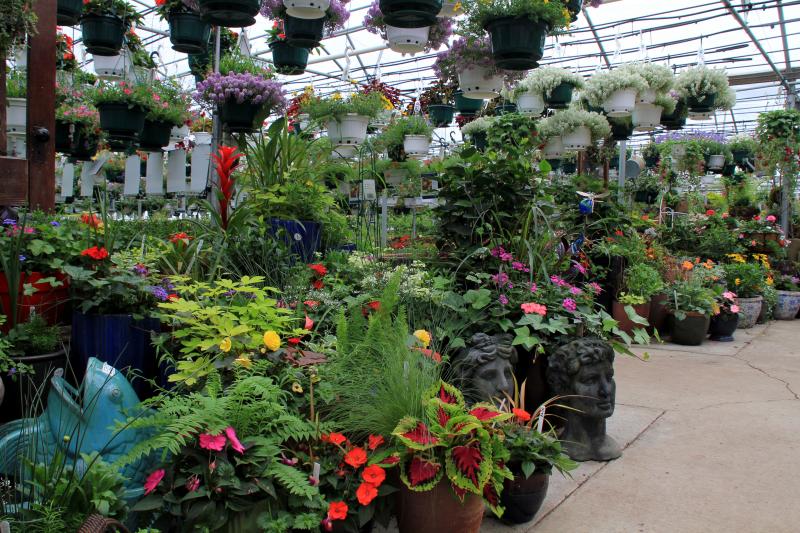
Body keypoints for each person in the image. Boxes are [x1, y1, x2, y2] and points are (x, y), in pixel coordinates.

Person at [547, 337, 621, 462]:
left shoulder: (610, 447)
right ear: (564, 389)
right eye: (590, 380)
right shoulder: (565, 449)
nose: (606, 391)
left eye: (609, 378)